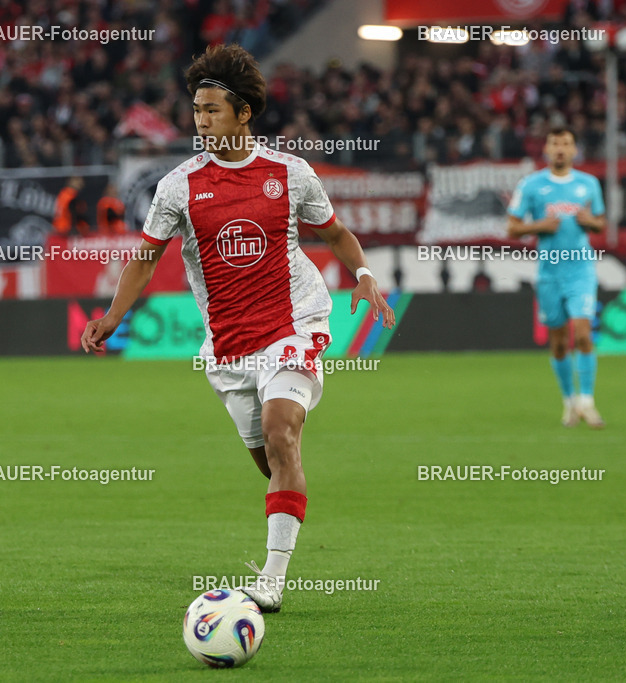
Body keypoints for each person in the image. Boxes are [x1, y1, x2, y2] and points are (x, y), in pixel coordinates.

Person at [81, 44, 395, 612]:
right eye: (196, 110)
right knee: (270, 459)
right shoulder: (179, 185)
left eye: (212, 110)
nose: (201, 121)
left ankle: (271, 582)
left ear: (244, 112)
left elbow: (338, 235)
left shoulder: (289, 173)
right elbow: (145, 258)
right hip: (228, 347)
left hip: (294, 321)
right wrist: (111, 315)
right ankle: (287, 496)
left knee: (281, 432)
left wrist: (365, 274)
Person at [507, 126, 606, 428]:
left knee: (583, 332)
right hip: (549, 274)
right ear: (547, 150)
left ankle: (587, 402)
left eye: (566, 143)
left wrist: (592, 222)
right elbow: (512, 227)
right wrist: (538, 226)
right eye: (555, 143)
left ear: (575, 150)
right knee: (559, 343)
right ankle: (569, 402)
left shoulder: (588, 184)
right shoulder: (532, 185)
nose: (560, 148)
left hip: (581, 270)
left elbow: (600, 222)